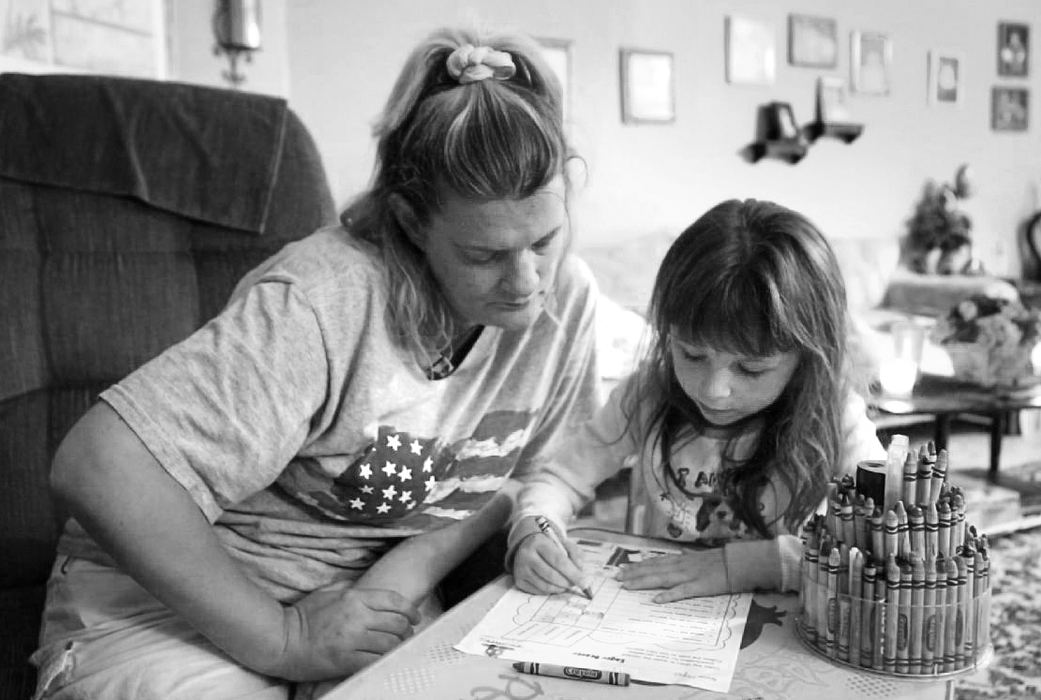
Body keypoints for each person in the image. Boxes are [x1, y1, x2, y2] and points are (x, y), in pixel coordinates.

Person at [33, 26, 601, 699]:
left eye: (543, 240)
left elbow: (520, 474)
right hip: (172, 598)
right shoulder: (322, 301)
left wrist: (401, 579)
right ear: (412, 225)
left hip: (357, 596)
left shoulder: (566, 301)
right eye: (482, 255)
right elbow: (100, 466)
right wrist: (284, 640)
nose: (525, 281)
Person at [508, 199, 886, 602]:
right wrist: (535, 528)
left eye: (751, 370)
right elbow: (560, 479)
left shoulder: (835, 417)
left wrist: (747, 565)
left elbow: (890, 545)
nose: (713, 390)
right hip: (660, 614)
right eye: (692, 354)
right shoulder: (648, 393)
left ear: (807, 359)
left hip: (788, 620)